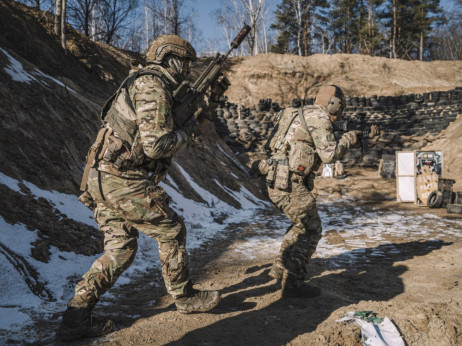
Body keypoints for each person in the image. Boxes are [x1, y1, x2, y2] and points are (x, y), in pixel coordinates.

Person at [58, 34, 220, 341]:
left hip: (103, 177)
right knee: (171, 230)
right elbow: (157, 145)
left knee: (121, 248)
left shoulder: (147, 84)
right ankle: (184, 298)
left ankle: (75, 317)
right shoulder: (153, 85)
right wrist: (188, 134)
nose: (187, 70)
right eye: (185, 64)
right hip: (121, 179)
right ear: (170, 58)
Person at [256, 85, 379, 298]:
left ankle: (278, 268)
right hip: (289, 183)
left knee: (300, 223)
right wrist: (350, 138)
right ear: (334, 104)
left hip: (272, 178)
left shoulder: (295, 111)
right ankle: (293, 283)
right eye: (339, 106)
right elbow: (329, 155)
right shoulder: (320, 118)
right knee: (312, 229)